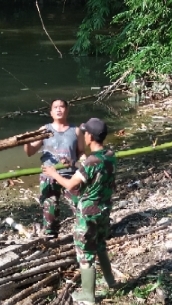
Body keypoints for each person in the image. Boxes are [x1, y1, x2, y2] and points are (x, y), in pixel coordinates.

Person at [43, 118, 117, 305]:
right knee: (100, 245)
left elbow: (70, 184)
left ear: (90, 136)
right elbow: (90, 169)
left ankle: (88, 296)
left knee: (85, 254)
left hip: (88, 213)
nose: (83, 134)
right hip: (104, 209)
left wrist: (53, 174)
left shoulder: (91, 162)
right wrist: (73, 164)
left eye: (85, 132)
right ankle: (111, 282)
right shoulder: (110, 154)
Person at [24, 99, 85, 236]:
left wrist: (82, 163)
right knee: (50, 210)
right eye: (55, 107)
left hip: (70, 175)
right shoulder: (44, 130)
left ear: (67, 110)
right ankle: (51, 236)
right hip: (48, 175)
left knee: (79, 205)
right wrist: (27, 142)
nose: (58, 109)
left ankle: (86, 232)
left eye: (62, 107)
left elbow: (81, 152)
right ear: (51, 112)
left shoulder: (75, 131)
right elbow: (30, 152)